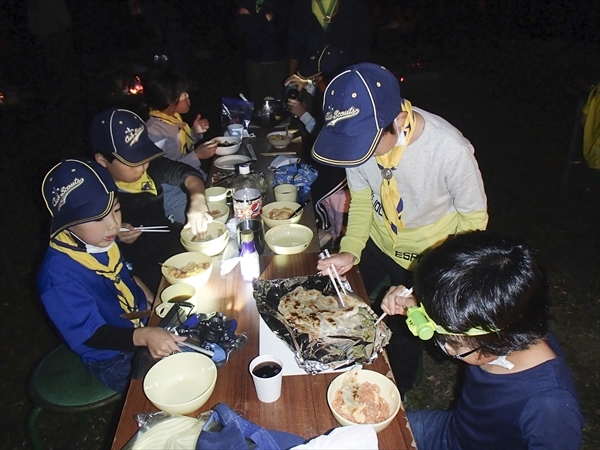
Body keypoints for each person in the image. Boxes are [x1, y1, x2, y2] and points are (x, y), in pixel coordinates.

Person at [313, 63, 488, 393]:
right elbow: (363, 200)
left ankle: (399, 391)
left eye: (366, 143)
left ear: (400, 121)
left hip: (430, 255)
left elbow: (474, 224)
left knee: (404, 333)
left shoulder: (450, 150)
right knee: (342, 302)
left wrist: (432, 280)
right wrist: (351, 248)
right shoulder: (360, 141)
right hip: (379, 241)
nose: (357, 154)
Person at [381, 231, 584, 450]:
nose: (447, 349)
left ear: (495, 340)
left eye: (454, 345)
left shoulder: (550, 408)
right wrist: (413, 307)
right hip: (450, 432)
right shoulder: (508, 322)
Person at [37, 159, 186, 394]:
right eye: (98, 218)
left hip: (142, 320)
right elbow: (94, 335)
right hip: (113, 354)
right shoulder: (59, 278)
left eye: (115, 210)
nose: (113, 225)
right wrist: (143, 336)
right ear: (67, 224)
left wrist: (147, 293)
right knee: (172, 388)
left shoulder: (97, 238)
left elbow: (122, 270)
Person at [89, 108, 212, 293]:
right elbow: (91, 248)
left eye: (144, 158)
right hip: (143, 269)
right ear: (102, 160)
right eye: (131, 162)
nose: (142, 167)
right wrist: (116, 237)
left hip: (171, 243)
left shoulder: (150, 167)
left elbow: (187, 174)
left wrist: (198, 200)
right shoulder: (97, 193)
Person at [284, 45, 351, 243]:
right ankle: (331, 231)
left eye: (317, 78)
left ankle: (337, 236)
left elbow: (328, 138)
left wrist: (302, 114)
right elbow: (323, 95)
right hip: (334, 173)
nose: (314, 81)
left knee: (336, 211)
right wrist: (309, 86)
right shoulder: (338, 90)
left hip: (340, 179)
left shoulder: (344, 104)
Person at [143, 66, 217, 176]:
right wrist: (196, 156)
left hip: (189, 173)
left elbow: (179, 147)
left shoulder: (173, 118)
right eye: (184, 95)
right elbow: (162, 173)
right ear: (170, 101)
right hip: (172, 188)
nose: (188, 97)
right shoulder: (154, 132)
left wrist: (195, 132)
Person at [287, 0, 371, 76]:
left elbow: (362, 45)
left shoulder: (354, 4)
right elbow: (295, 45)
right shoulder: (301, 5)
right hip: (308, 76)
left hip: (344, 75)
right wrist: (291, 79)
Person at [233, 0, 290, 102]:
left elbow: (275, 27)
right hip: (252, 59)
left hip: (275, 60)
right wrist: (262, 18)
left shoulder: (279, 3)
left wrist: (251, 16)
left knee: (278, 101)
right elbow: (240, 25)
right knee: (256, 101)